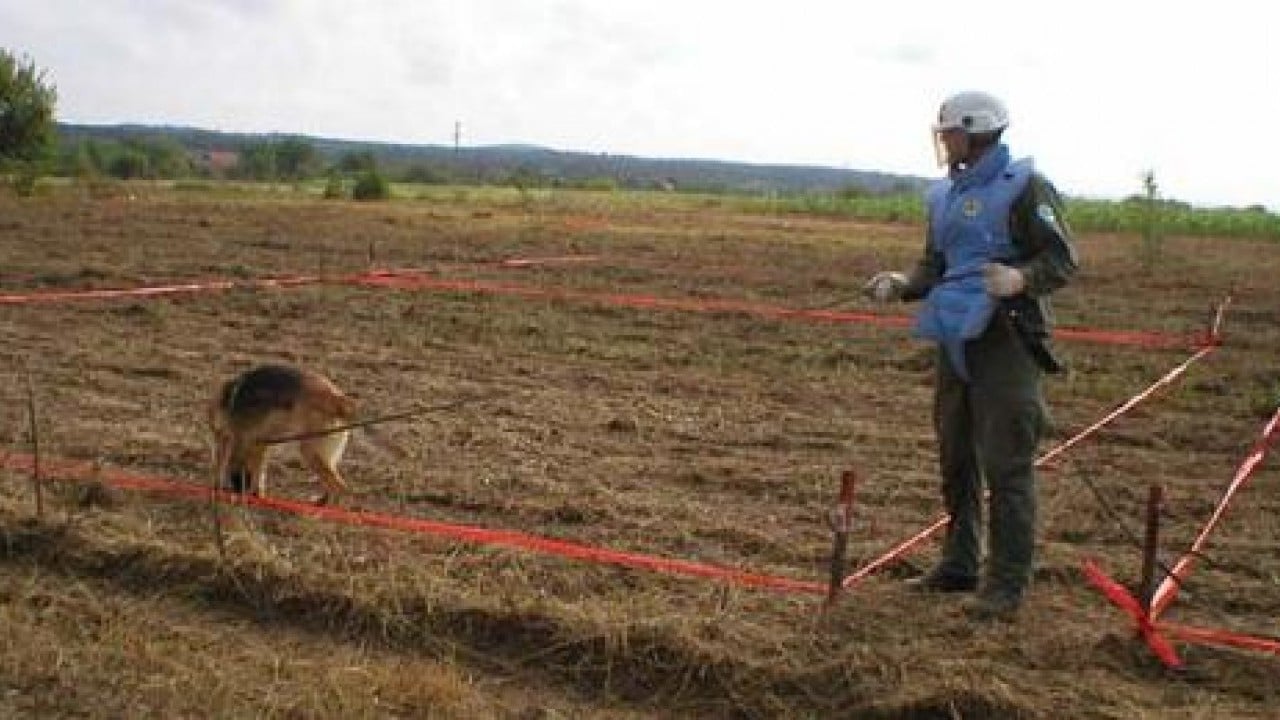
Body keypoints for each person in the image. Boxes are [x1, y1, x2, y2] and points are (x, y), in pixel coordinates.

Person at [863, 90, 1078, 620]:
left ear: (976, 132)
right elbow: (935, 265)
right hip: (954, 334)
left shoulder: (1026, 186)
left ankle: (1006, 585)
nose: (943, 142)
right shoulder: (943, 197)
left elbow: (1062, 259)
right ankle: (958, 565)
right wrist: (902, 283)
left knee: (1007, 464)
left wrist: (1022, 279)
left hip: (1007, 338)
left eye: (950, 133)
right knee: (955, 455)